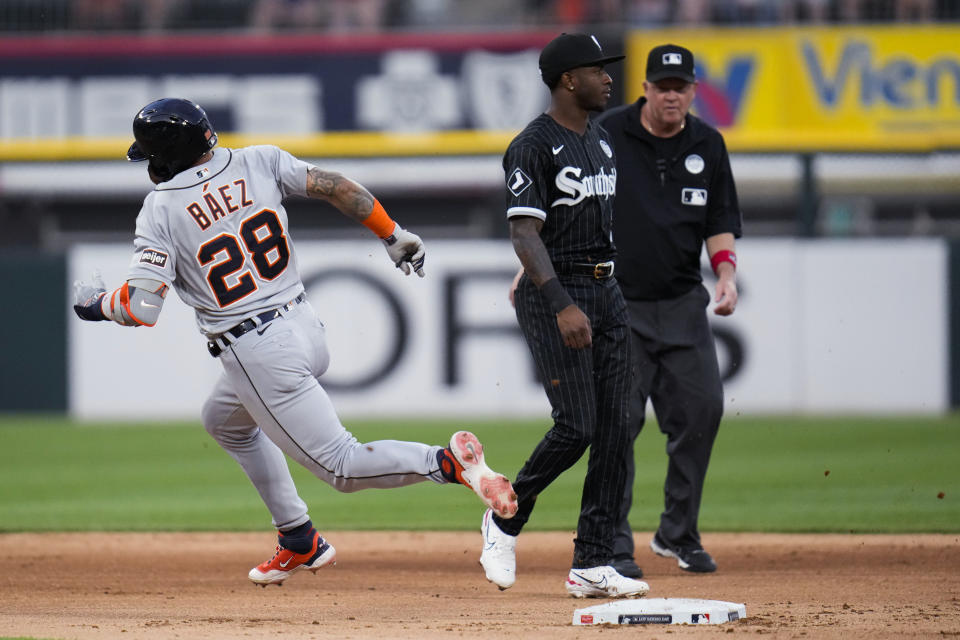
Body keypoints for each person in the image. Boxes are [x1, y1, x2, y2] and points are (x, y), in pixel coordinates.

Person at [72, 97, 518, 587]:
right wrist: (391, 233)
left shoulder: (160, 208)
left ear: (166, 155)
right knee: (223, 421)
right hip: (303, 322)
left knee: (343, 467)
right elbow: (337, 187)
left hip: (256, 349)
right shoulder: (259, 158)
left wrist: (94, 304)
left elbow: (141, 308)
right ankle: (298, 538)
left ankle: (449, 464)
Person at [479, 33, 649, 600]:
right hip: (561, 294)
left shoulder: (599, 141)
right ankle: (505, 516)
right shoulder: (533, 145)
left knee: (618, 424)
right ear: (567, 80)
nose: (608, 78)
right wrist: (559, 301)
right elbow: (523, 229)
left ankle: (593, 561)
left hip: (606, 285)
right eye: (597, 70)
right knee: (577, 424)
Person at [595, 44, 742, 576]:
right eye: (663, 86)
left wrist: (726, 274)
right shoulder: (608, 132)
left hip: (682, 302)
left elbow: (720, 220)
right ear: (646, 89)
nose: (672, 95)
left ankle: (677, 533)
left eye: (681, 86)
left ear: (693, 91)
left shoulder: (708, 143)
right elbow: (575, 200)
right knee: (620, 421)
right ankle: (612, 543)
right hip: (618, 303)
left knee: (702, 413)